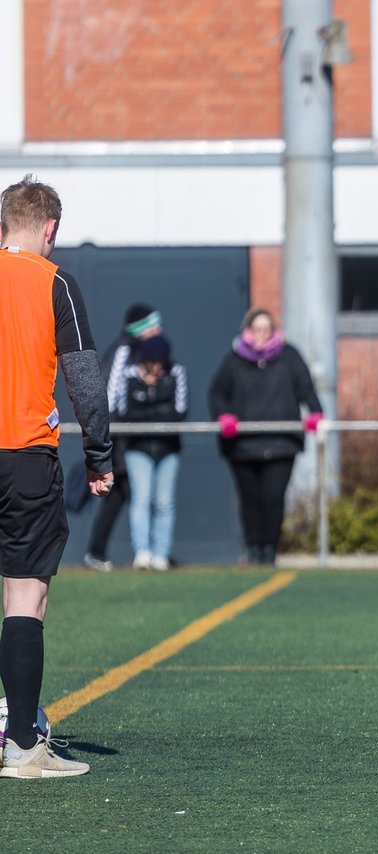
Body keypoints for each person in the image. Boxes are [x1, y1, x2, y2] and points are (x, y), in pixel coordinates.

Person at [0, 175, 113, 777]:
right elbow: (85, 382)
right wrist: (100, 455)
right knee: (25, 595)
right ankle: (21, 743)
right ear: (50, 228)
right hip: (23, 456)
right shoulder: (55, 282)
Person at [209, 308, 323, 566]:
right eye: (256, 329)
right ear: (247, 331)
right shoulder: (234, 360)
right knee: (249, 500)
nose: (261, 335)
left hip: (281, 443)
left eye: (266, 329)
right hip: (243, 445)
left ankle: (269, 550)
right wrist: (224, 415)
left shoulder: (289, 356)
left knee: (273, 498)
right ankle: (254, 549)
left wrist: (316, 412)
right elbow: (217, 392)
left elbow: (305, 387)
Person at [84, 303, 162, 571]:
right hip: (117, 436)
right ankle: (103, 551)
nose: (158, 329)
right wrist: (108, 433)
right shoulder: (124, 350)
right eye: (153, 325)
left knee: (124, 492)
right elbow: (109, 393)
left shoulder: (144, 352)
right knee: (120, 490)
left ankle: (148, 551)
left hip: (126, 436)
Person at [109, 334, 187, 570]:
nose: (156, 368)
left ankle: (162, 553)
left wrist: (147, 408)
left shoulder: (176, 373)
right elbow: (123, 413)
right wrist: (156, 409)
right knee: (141, 499)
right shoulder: (130, 376)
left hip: (168, 450)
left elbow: (179, 413)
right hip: (138, 449)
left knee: (164, 502)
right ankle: (142, 551)